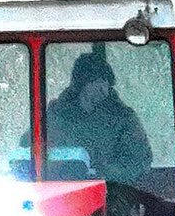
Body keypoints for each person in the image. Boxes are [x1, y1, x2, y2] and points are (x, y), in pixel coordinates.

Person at [44, 47, 152, 184]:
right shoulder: (55, 115)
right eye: (96, 81)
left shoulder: (123, 118)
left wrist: (104, 173)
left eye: (106, 81)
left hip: (112, 194)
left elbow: (140, 161)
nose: (103, 88)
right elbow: (27, 151)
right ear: (82, 83)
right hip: (59, 192)